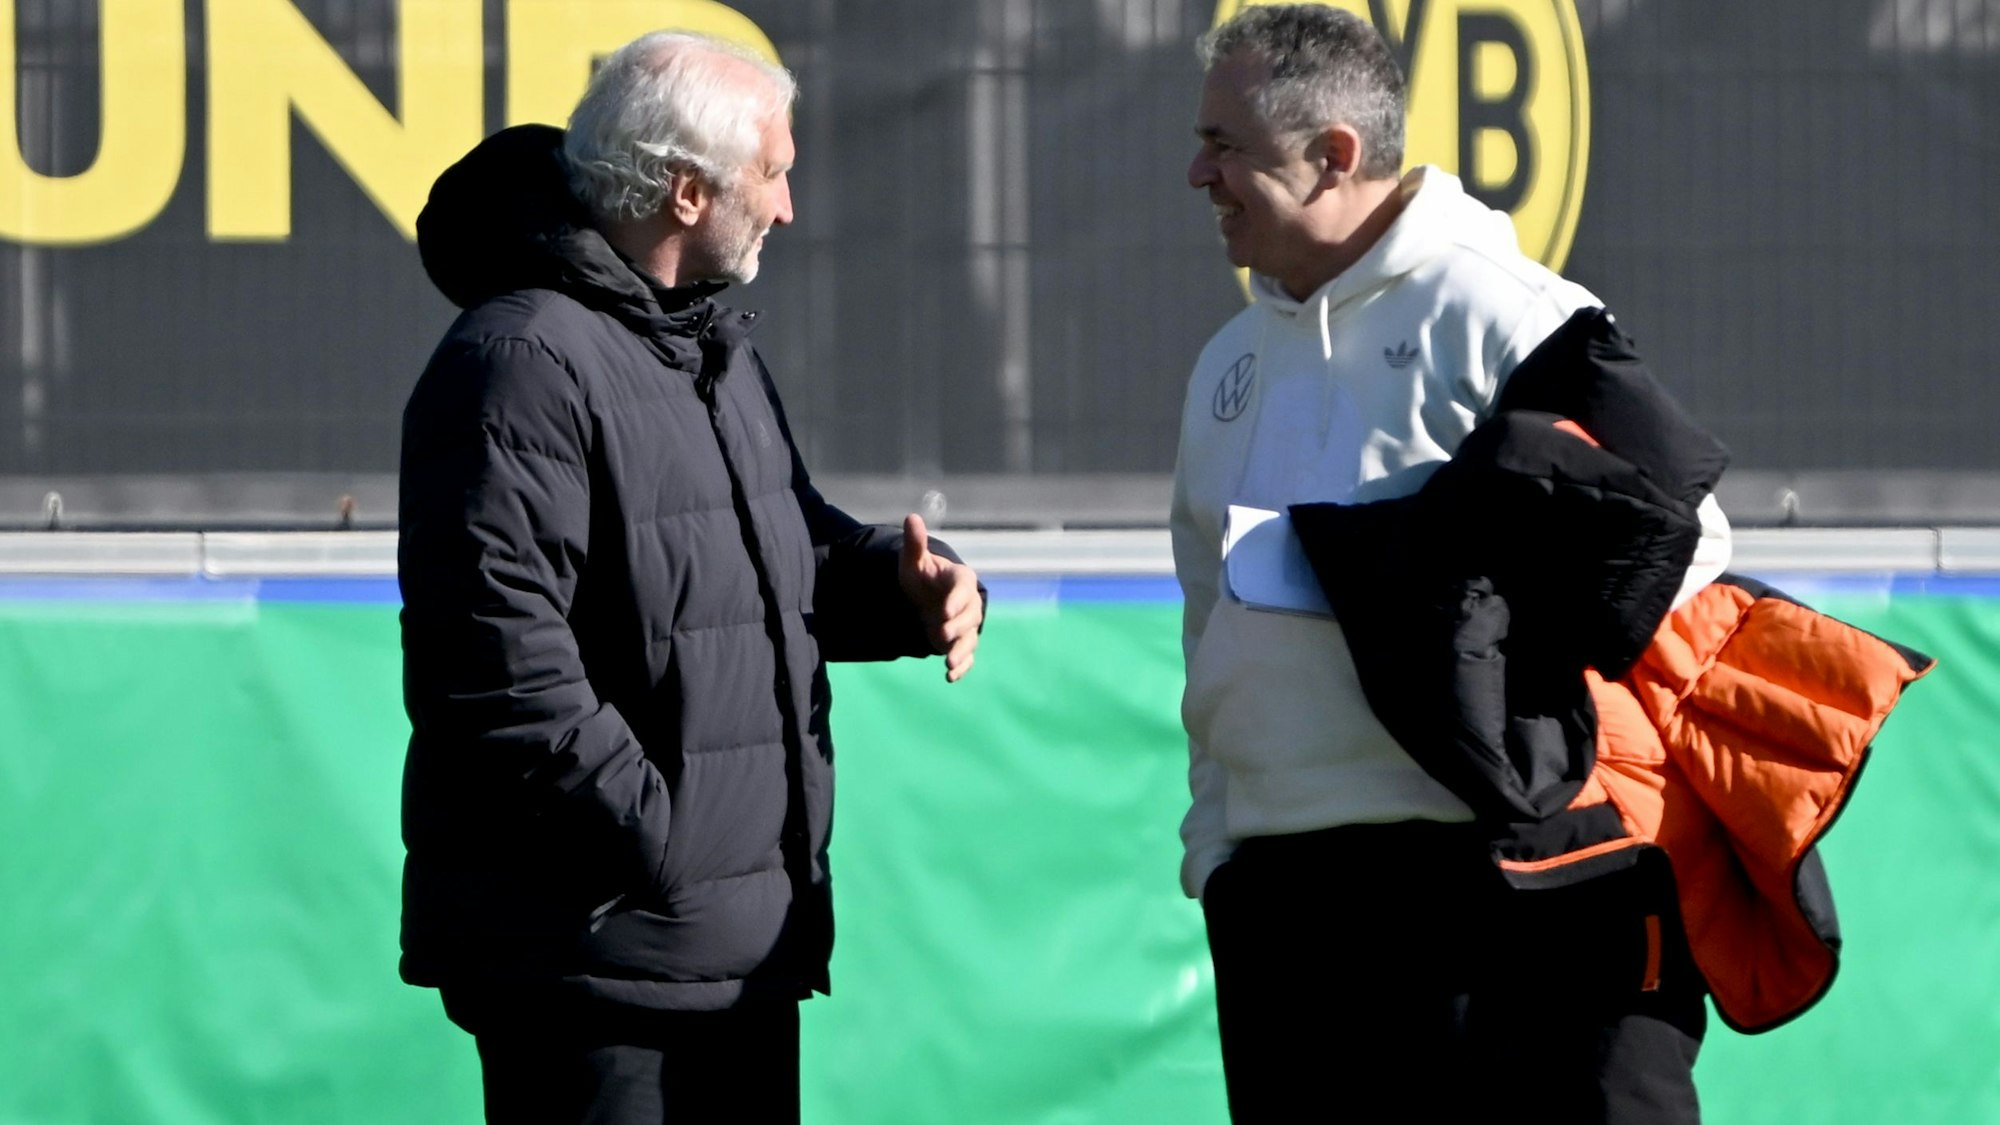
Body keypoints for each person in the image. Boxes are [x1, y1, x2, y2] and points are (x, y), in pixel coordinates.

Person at [396, 30, 983, 1123]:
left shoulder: (703, 347)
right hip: (594, 965)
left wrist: (902, 589)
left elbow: (780, 555)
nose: (788, 206)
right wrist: (662, 842)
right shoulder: (517, 362)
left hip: (732, 953)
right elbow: (495, 668)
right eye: (771, 172)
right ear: (681, 191)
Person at [1170, 6, 1738, 1121]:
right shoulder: (1224, 363)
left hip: (1492, 889)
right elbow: (1207, 616)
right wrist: (1215, 853)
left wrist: (1438, 574)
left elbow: (1687, 542)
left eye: (1224, 146)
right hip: (1282, 903)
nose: (1197, 174)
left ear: (1331, 155)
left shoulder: (1509, 312)